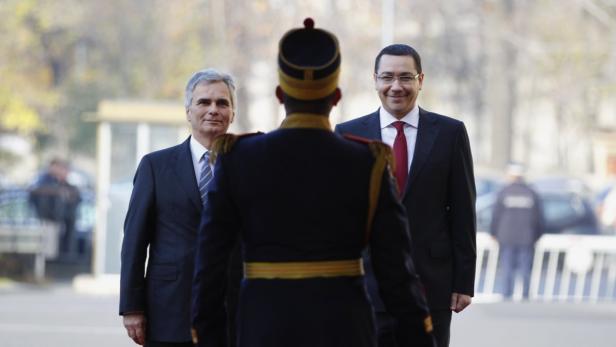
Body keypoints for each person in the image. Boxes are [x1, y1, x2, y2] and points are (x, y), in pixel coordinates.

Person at [191, 19, 435, 347]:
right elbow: (397, 275)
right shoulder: (368, 162)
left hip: (264, 329)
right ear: (336, 96)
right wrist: (419, 337)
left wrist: (209, 336)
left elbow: (211, 269)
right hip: (344, 330)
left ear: (280, 94)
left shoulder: (238, 159)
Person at [335, 44, 476, 347]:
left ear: (420, 80)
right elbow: (336, 214)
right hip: (366, 286)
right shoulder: (347, 135)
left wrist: (463, 282)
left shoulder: (450, 134)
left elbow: (463, 211)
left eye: (405, 77)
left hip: (431, 285)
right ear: (375, 80)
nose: (396, 86)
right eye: (387, 77)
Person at [119, 68, 241, 347]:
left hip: (232, 311)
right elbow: (135, 242)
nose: (213, 110)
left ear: (232, 114)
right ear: (188, 111)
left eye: (222, 103)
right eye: (204, 102)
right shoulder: (155, 166)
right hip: (169, 311)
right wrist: (132, 307)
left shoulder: (248, 165)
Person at [490, 163, 543, 300]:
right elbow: (539, 217)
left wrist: (493, 232)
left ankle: (507, 294)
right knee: (525, 267)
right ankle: (525, 294)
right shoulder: (531, 193)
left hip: (506, 236)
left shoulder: (504, 192)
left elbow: (496, 215)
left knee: (507, 266)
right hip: (527, 236)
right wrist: (537, 235)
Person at [29, 158, 81, 258]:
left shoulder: (65, 183)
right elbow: (35, 193)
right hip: (47, 219)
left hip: (60, 219)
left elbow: (75, 197)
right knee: (49, 250)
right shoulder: (44, 180)